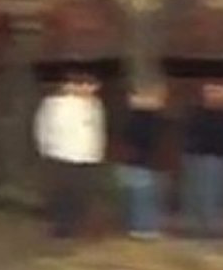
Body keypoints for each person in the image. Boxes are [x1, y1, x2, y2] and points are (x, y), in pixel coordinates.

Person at [34, 72, 107, 238]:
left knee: (81, 192)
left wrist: (98, 151)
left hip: (88, 155)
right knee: (64, 191)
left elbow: (97, 130)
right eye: (85, 86)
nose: (89, 90)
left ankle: (76, 222)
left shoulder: (95, 104)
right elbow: (43, 127)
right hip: (62, 154)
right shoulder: (54, 104)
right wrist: (45, 147)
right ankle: (61, 225)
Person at [180, 82, 223, 238]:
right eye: (212, 91)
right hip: (203, 157)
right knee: (201, 193)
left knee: (216, 194)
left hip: (220, 159)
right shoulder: (200, 115)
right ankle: (201, 227)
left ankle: (212, 228)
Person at [116, 85, 168, 239]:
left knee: (142, 197)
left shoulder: (155, 119)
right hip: (140, 164)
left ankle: (140, 226)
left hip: (144, 164)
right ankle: (142, 228)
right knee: (142, 197)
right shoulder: (141, 119)